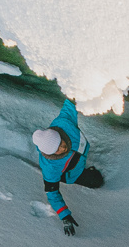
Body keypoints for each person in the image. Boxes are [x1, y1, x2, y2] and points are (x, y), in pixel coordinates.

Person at [32, 98, 103, 236]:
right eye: (57, 149)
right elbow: (52, 192)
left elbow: (70, 101)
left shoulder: (65, 123)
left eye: (60, 142)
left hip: (79, 158)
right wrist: (64, 215)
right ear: (50, 153)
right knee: (97, 181)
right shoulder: (50, 167)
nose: (62, 147)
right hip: (72, 174)